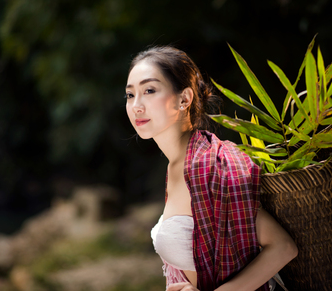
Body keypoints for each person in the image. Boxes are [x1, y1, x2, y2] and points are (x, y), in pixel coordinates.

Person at [125, 46, 298, 291]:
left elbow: (282, 247)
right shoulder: (177, 164)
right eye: (130, 95)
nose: (136, 106)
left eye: (149, 90)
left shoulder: (209, 166)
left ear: (184, 99)